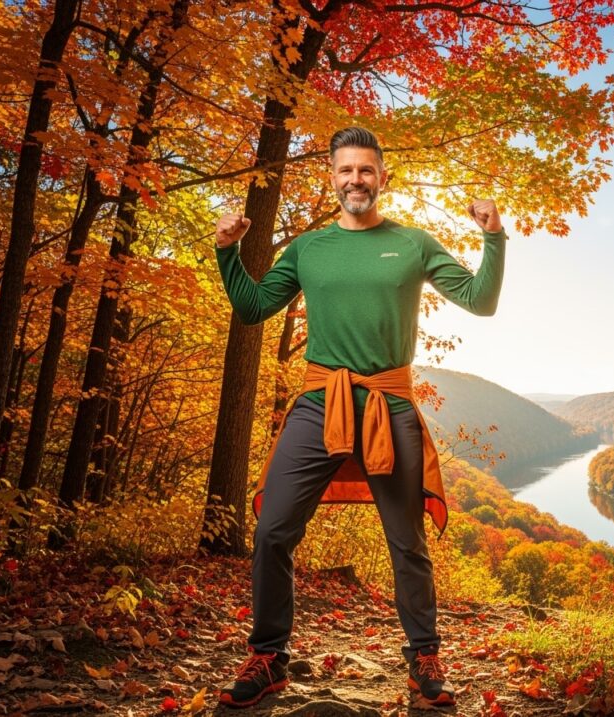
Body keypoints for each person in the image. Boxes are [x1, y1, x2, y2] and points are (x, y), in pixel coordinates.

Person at [214, 126, 506, 709]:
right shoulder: (308, 249)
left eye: (366, 170)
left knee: (407, 540)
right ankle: (269, 656)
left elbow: (481, 300)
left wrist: (493, 236)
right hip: (319, 400)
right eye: (346, 171)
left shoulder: (415, 243)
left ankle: (423, 655)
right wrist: (227, 249)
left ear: (383, 178)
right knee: (273, 529)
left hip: (388, 404)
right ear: (332, 178)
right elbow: (250, 309)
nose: (356, 180)